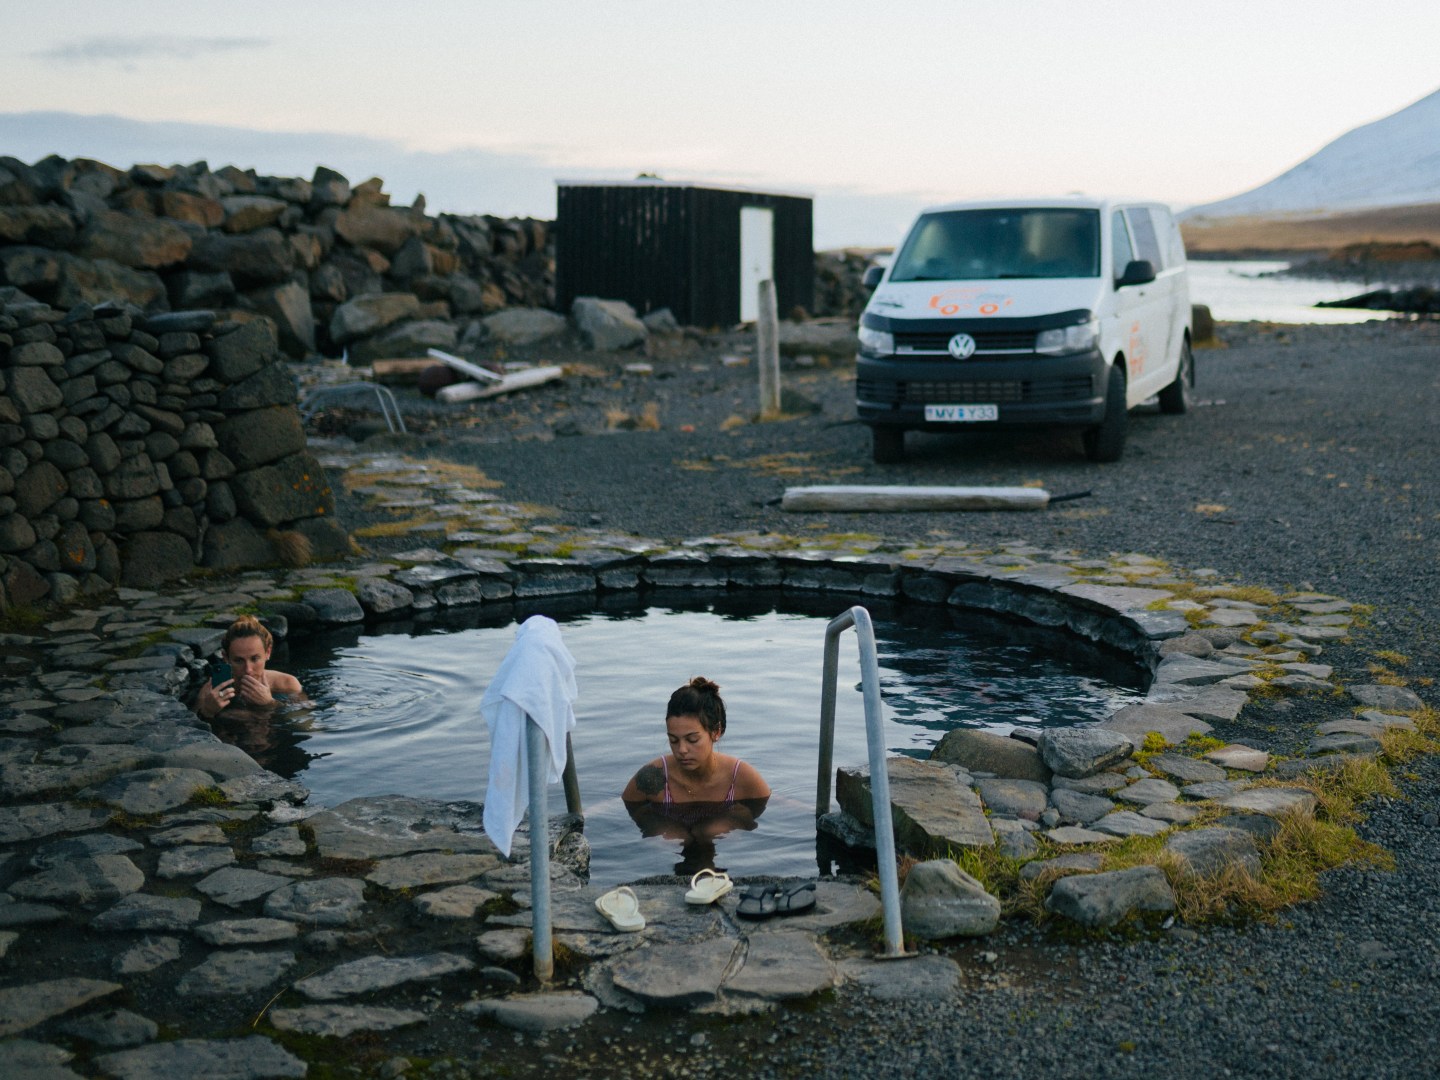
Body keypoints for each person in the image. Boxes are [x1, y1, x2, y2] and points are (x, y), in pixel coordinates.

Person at [622, 677, 770, 869]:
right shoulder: (656, 775)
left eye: (692, 739)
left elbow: (774, 803)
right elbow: (624, 803)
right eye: (674, 740)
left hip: (718, 825)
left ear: (716, 732)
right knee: (673, 837)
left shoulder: (740, 777)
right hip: (671, 826)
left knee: (709, 831)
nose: (682, 750)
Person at [194, 615, 303, 720]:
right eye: (239, 660)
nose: (248, 670)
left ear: (268, 653)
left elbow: (305, 721)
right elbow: (192, 728)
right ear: (226, 657)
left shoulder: (287, 683)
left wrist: (270, 704)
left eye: (255, 659)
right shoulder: (209, 692)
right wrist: (208, 712)